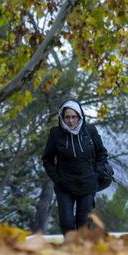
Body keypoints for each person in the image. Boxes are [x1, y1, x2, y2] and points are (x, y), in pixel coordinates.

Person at [41, 99, 108, 235]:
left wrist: (96, 172)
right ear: (62, 118)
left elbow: (102, 153)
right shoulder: (55, 133)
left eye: (74, 117)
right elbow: (47, 159)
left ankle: (82, 254)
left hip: (88, 184)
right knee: (67, 223)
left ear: (80, 116)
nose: (71, 121)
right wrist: (58, 179)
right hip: (65, 186)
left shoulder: (90, 131)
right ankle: (70, 252)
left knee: (83, 224)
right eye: (67, 117)